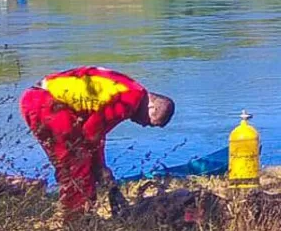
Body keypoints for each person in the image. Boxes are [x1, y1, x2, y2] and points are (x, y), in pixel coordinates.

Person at [20, 67, 174, 219]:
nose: (144, 125)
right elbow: (91, 134)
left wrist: (100, 166)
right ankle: (75, 223)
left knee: (76, 164)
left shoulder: (132, 89)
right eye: (150, 122)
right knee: (76, 167)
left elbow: (95, 133)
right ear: (152, 107)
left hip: (40, 98)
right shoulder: (129, 100)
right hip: (47, 103)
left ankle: (81, 215)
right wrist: (101, 168)